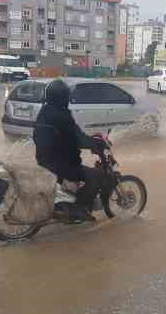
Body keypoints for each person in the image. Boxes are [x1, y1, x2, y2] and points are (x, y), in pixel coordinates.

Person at [33, 79, 106, 223]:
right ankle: (80, 208)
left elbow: (71, 137)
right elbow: (78, 138)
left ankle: (69, 202)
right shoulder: (62, 117)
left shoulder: (45, 111)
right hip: (61, 165)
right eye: (67, 96)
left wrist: (88, 141)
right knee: (96, 175)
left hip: (45, 161)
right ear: (62, 98)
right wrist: (97, 143)